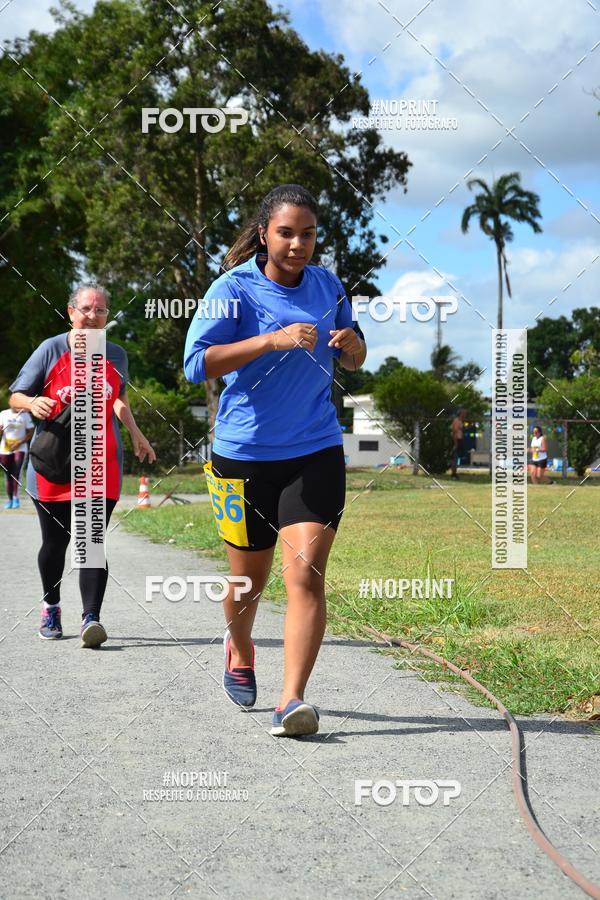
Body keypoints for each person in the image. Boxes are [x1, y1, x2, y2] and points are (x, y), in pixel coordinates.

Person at [184, 184, 366, 737]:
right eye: (286, 233)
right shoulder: (232, 289)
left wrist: (354, 348)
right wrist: (270, 340)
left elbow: (355, 355)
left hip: (315, 449)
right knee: (248, 582)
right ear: (264, 233)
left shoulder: (328, 285)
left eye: (307, 234)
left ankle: (291, 701)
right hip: (243, 455)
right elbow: (196, 364)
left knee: (305, 575)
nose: (297, 244)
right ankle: (240, 646)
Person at [9, 283, 156, 647]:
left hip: (100, 463)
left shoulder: (116, 354)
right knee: (55, 542)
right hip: (54, 462)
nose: (93, 316)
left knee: (92, 541)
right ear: (71, 311)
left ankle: (92, 618)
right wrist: (32, 404)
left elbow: (118, 397)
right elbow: (16, 396)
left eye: (101, 310)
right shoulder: (51, 349)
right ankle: (51, 606)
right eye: (87, 309)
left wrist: (136, 433)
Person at [0, 407, 34, 508]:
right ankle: (10, 500)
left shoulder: (25, 415)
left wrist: (20, 442)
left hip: (20, 448)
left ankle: (16, 499)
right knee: (8, 474)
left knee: (16, 473)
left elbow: (31, 432)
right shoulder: (3, 413)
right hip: (5, 448)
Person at [450, 408, 466, 479]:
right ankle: (453, 474)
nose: (465, 415)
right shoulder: (456, 421)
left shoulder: (460, 421)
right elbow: (454, 432)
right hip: (456, 440)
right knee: (455, 457)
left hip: (460, 440)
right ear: (461, 414)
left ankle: (455, 472)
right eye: (464, 413)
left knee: (457, 457)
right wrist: (455, 443)